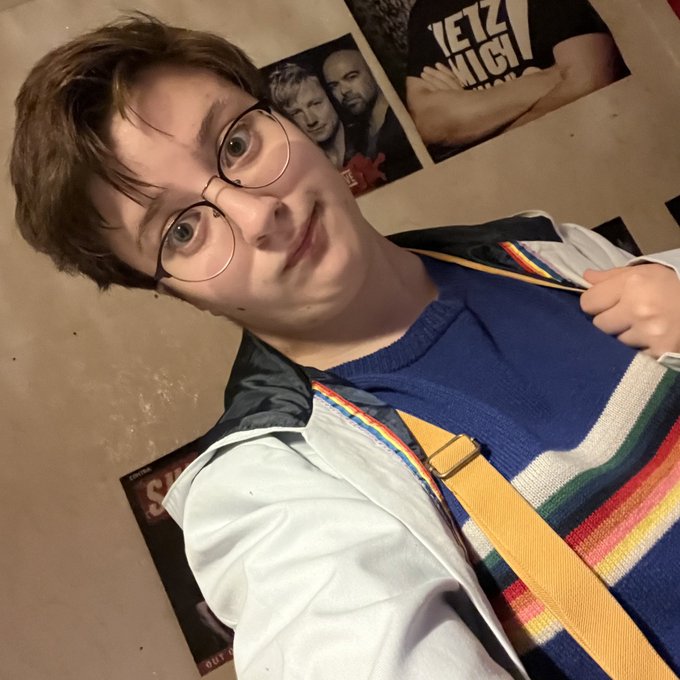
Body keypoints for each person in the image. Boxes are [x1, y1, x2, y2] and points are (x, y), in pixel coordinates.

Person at [10, 15, 680, 680]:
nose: (257, 213)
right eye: (182, 231)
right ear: (171, 291)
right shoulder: (270, 492)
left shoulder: (538, 248)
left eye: (236, 143)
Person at [406, 0, 627, 160]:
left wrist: (472, 120)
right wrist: (551, 76)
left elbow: (591, 80)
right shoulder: (426, 11)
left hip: (592, 153)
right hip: (504, 187)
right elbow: (429, 124)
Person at [322, 47, 422, 182]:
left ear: (373, 71)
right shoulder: (356, 136)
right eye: (333, 86)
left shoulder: (407, 119)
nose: (343, 91)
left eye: (351, 77)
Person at [267, 62, 356, 170]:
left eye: (315, 104)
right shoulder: (300, 168)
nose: (311, 120)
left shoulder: (368, 141)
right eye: (296, 112)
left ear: (332, 98)